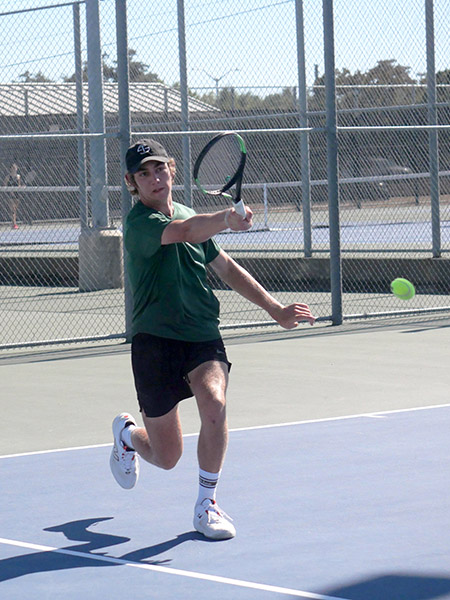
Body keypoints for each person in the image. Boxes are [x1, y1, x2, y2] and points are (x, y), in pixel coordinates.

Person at [110, 139, 316, 540]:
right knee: (167, 457)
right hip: (154, 341)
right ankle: (127, 435)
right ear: (132, 183)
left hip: (201, 334)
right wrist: (226, 218)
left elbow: (226, 268)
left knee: (215, 403)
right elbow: (185, 230)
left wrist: (275, 309)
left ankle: (207, 504)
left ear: (171, 169)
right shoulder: (139, 225)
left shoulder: (192, 215)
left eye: (159, 169)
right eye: (143, 174)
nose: (154, 178)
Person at [5, 162, 24, 229]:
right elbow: (5, 186)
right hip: (10, 194)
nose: (14, 169)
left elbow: (19, 185)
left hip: (16, 194)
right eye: (12, 168)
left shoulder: (18, 177)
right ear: (10, 169)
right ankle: (14, 223)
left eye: (15, 168)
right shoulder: (8, 177)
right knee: (12, 209)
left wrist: (21, 187)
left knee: (15, 209)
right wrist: (10, 191)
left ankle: (13, 222)